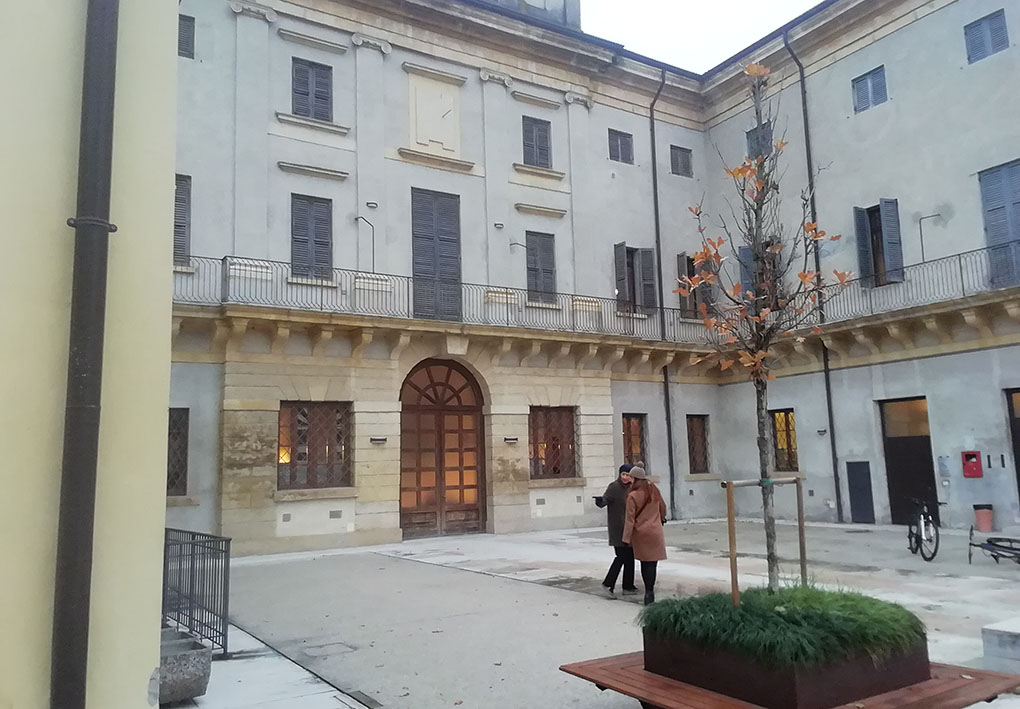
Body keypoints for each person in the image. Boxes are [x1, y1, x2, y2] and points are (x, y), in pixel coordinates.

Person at [622, 466, 667, 605]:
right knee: (653, 564)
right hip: (656, 531)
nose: (629, 480)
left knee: (644, 562)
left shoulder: (633, 496)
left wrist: (626, 538)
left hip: (641, 533)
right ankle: (651, 591)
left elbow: (630, 519)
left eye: (631, 478)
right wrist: (661, 519)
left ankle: (647, 592)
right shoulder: (654, 490)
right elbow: (663, 507)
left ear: (635, 479)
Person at [595, 464, 637, 599]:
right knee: (621, 557)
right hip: (618, 529)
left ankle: (628, 586)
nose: (625, 477)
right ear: (620, 475)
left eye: (628, 475)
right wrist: (600, 501)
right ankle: (608, 584)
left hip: (630, 528)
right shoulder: (614, 487)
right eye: (623, 474)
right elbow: (605, 500)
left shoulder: (633, 488)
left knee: (630, 557)